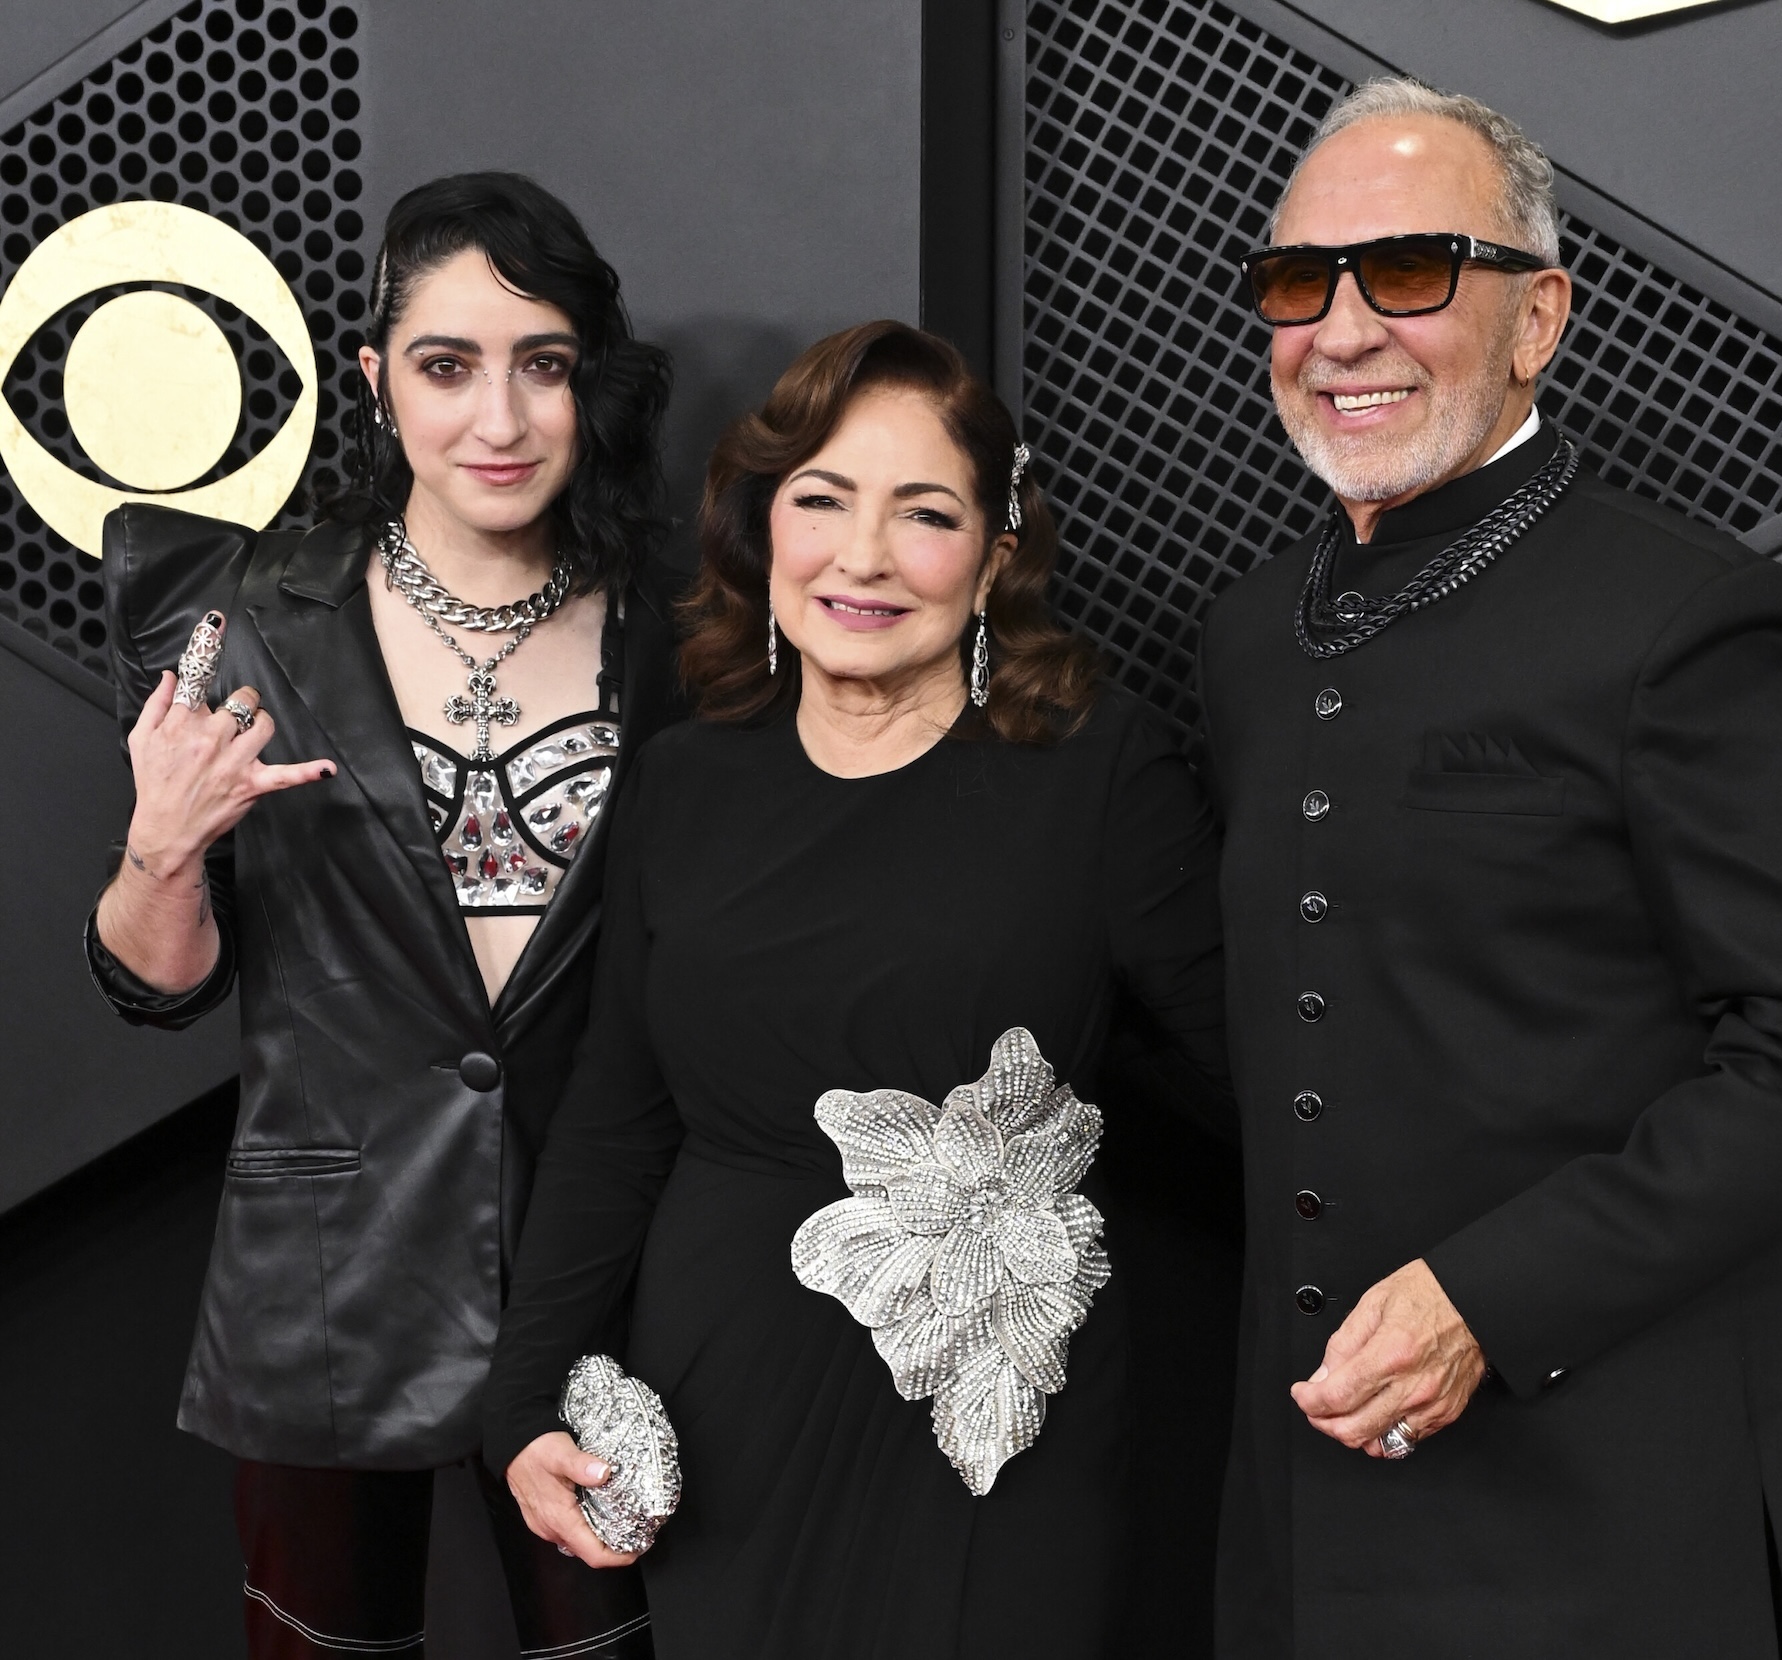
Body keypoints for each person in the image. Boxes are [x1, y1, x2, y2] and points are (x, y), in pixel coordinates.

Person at [1201, 79, 1782, 1659]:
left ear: (1540, 320)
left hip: (1598, 1515)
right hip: (1301, 1528)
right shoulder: (1249, 634)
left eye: (1407, 273)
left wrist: (1486, 1301)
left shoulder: (1694, 620)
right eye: (1297, 282)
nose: (1340, 328)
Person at [482, 320, 1232, 1657]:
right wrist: (527, 1399)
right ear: (762, 523)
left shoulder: (1098, 769)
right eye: (821, 500)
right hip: (724, 1405)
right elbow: (614, 1117)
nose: (864, 556)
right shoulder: (685, 783)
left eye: (925, 513)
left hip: (1004, 1415)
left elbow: (1266, 1060)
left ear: (999, 549)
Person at [86, 173, 684, 1659]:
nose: (499, 419)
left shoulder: (686, 627)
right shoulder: (241, 619)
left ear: (586, 386)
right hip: (328, 1273)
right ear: (375, 382)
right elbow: (156, 987)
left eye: (542, 365)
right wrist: (161, 853)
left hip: (610, 1255)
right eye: (446, 365)